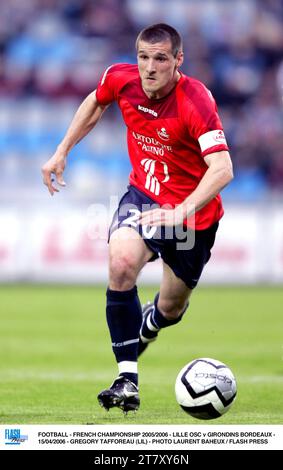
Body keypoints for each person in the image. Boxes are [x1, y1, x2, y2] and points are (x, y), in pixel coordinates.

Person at [42, 23, 233, 414]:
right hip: (143, 198)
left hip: (191, 218)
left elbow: (223, 168)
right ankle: (127, 379)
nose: (149, 67)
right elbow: (96, 102)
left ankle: (151, 323)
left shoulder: (195, 101)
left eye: (160, 58)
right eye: (143, 56)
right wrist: (62, 150)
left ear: (178, 60)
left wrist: (181, 210)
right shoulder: (120, 78)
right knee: (122, 262)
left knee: (171, 309)